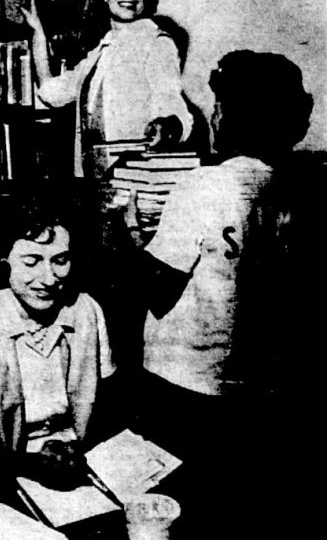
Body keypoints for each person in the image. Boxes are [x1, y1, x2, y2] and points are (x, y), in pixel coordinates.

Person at [126, 50, 322, 539]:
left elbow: (158, 288)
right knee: (236, 514)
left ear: (230, 114)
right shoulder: (295, 189)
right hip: (252, 392)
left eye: (217, 106)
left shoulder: (204, 184)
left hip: (182, 389)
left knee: (173, 512)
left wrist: (126, 231)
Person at [0, 196, 116, 497]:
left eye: (60, 260)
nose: (48, 278)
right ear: (4, 262)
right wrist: (30, 464)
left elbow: (107, 404)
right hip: (4, 468)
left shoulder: (87, 309)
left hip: (79, 458)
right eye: (31, 261)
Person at [22, 0, 194, 176]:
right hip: (93, 185)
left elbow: (175, 107)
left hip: (134, 182)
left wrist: (167, 127)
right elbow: (52, 93)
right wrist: (38, 34)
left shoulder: (157, 43)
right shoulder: (101, 52)